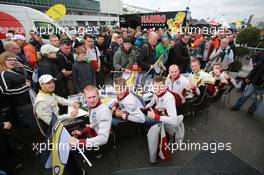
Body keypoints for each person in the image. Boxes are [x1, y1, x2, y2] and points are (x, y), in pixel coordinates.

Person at [143, 76, 184, 145]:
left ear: (164, 86)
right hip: (159, 114)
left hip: (165, 121)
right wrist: (143, 109)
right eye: (155, 87)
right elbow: (151, 103)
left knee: (143, 119)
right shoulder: (156, 93)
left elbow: (173, 120)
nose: (158, 89)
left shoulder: (168, 98)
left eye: (160, 87)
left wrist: (154, 116)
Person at [0, 51, 34, 129]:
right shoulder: (3, 73)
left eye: (14, 60)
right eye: (9, 60)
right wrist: (25, 87)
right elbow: (6, 90)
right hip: (22, 104)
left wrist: (23, 66)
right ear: (3, 61)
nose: (13, 62)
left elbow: (32, 73)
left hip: (29, 100)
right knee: (32, 124)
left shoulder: (15, 69)